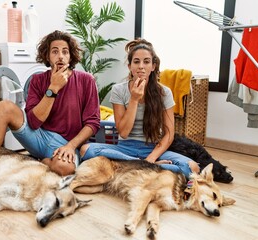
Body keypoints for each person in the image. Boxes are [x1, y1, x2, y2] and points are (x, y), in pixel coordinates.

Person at [0, 30, 100, 203]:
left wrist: (70, 146)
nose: (60, 56)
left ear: (71, 56)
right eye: (54, 51)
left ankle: (42, 162)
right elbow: (34, 121)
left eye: (65, 51)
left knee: (65, 169)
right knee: (5, 107)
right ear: (47, 56)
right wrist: (53, 89)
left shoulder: (86, 80)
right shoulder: (38, 81)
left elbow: (93, 122)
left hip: (66, 144)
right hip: (39, 137)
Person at [80, 38, 199, 179]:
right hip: (124, 148)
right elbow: (123, 133)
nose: (141, 66)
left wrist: (151, 159)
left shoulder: (164, 92)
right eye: (136, 62)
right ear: (130, 66)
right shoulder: (118, 90)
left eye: (146, 61)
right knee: (85, 149)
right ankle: (148, 167)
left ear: (153, 66)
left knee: (193, 167)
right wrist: (134, 99)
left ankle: (133, 166)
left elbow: (169, 134)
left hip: (152, 148)